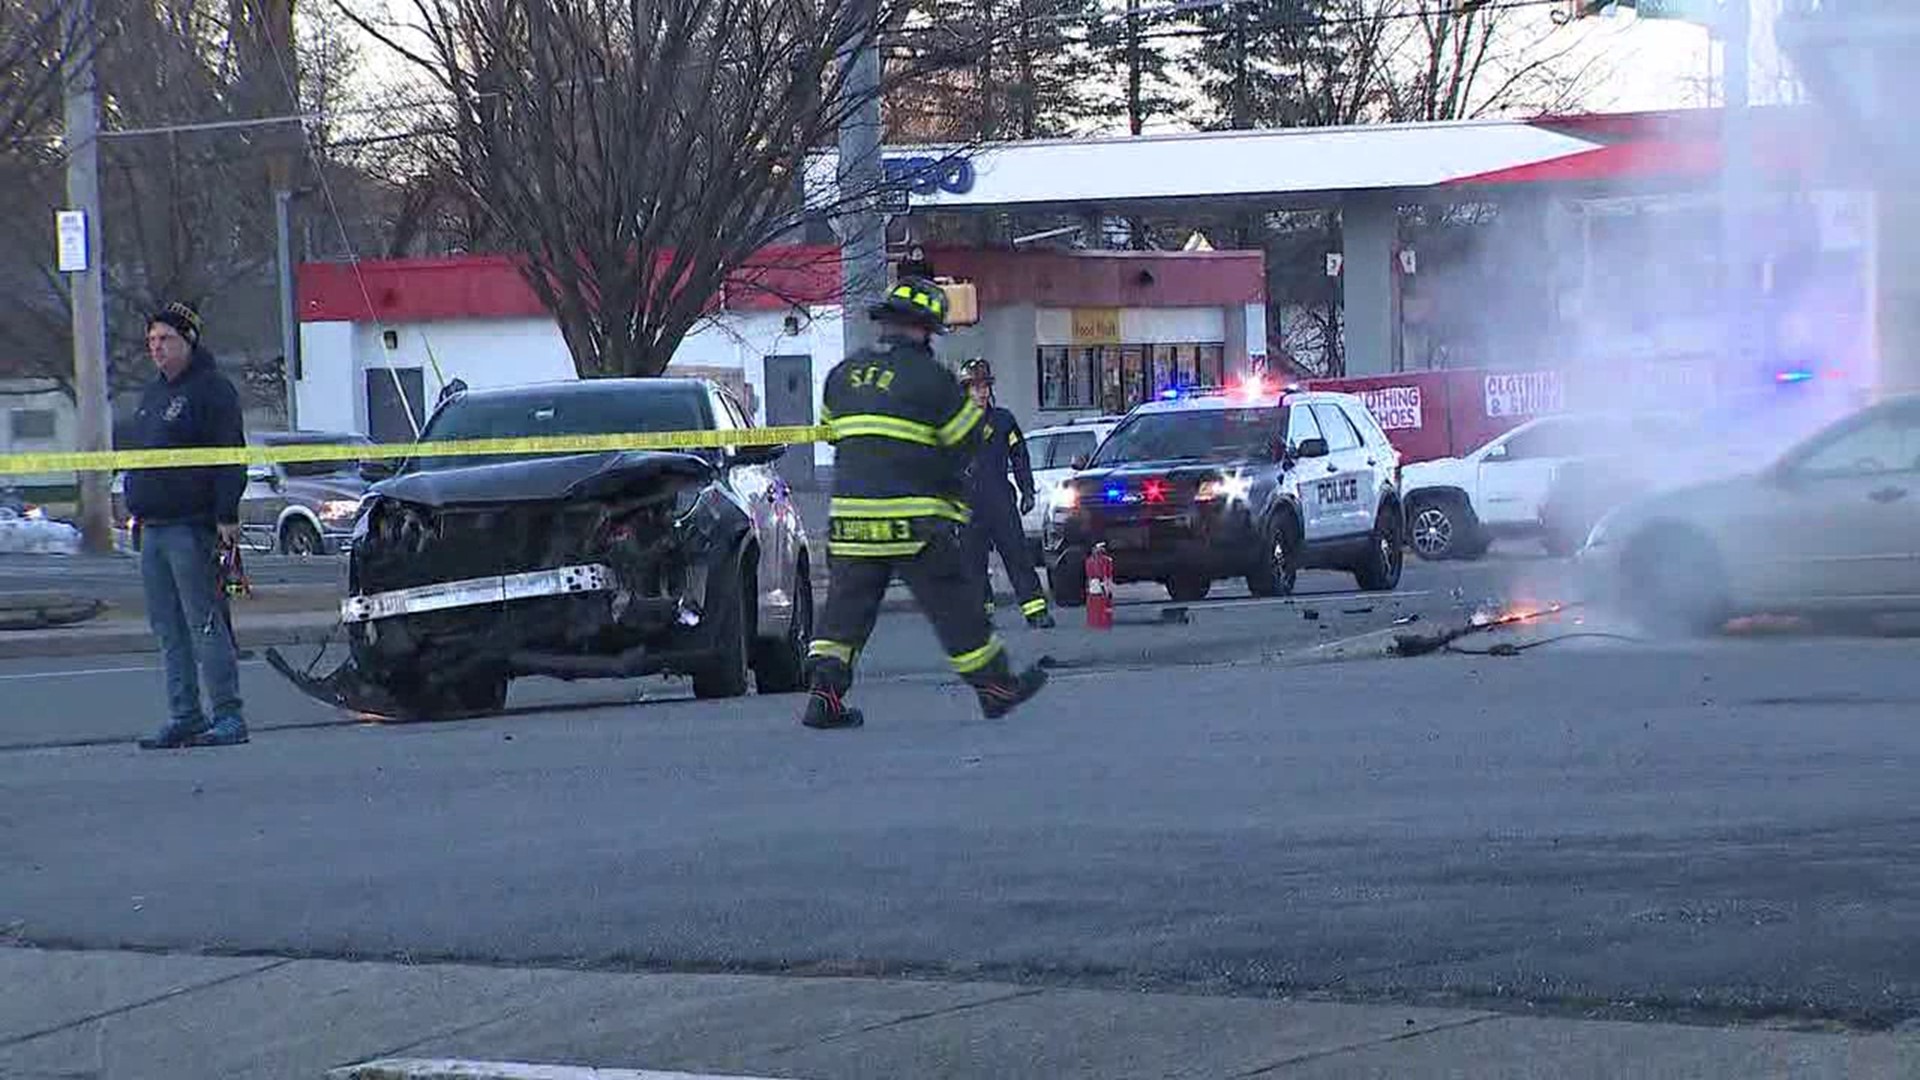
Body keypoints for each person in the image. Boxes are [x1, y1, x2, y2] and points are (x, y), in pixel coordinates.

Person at [801, 277, 1049, 730]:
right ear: (924, 329)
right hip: (914, 522)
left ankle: (824, 697)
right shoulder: (933, 380)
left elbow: (834, 434)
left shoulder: (841, 376)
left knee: (843, 614)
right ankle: (995, 688)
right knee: (956, 607)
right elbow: (965, 441)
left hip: (851, 523)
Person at [127, 302, 251, 749]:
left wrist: (226, 516)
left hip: (191, 527)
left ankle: (228, 714)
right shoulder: (152, 394)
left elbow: (230, 457)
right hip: (153, 527)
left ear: (189, 341)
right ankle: (185, 714)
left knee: (205, 622)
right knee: (168, 628)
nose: (158, 349)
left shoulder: (212, 391)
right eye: (152, 341)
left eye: (167, 340)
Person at [958, 357, 1054, 628]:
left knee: (1017, 555)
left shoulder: (1003, 420)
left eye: (985, 385)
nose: (982, 392)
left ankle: (1035, 610)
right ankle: (980, 615)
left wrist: (1027, 490)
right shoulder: (953, 423)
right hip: (967, 503)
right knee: (971, 563)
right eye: (975, 387)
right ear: (965, 390)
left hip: (1000, 499)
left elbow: (1019, 455)